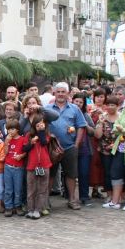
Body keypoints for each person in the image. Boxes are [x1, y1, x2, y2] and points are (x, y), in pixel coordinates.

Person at [45, 82, 87, 210]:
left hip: (69, 147)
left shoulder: (75, 109)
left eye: (63, 92)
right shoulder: (47, 108)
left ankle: (72, 199)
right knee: (50, 174)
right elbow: (42, 124)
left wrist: (76, 144)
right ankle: (45, 200)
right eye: (58, 92)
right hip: (52, 147)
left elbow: (81, 126)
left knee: (71, 175)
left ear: (68, 94)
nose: (61, 94)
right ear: (54, 93)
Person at [23, 114, 52, 219]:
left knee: (42, 189)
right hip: (32, 166)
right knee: (31, 189)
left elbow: (44, 142)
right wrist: (31, 142)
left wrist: (41, 132)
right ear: (34, 124)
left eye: (42, 123)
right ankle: (30, 209)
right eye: (38, 124)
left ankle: (38, 210)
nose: (40, 125)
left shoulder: (46, 134)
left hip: (44, 165)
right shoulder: (28, 135)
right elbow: (25, 149)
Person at [72, 92, 95, 206]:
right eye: (77, 101)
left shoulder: (86, 115)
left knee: (84, 173)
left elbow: (93, 132)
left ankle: (84, 196)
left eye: (81, 102)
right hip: (70, 147)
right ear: (73, 101)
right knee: (70, 173)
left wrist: (85, 125)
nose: (78, 104)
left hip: (85, 149)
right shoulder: (69, 113)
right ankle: (69, 195)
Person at [2, 120, 27, 216]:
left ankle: (18, 206)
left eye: (12, 129)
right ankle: (8, 207)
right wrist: (6, 142)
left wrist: (21, 156)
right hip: (8, 167)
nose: (10, 131)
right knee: (8, 188)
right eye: (8, 129)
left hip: (18, 168)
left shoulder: (22, 139)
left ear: (17, 129)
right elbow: (5, 152)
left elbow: (25, 152)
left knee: (18, 188)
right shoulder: (7, 139)